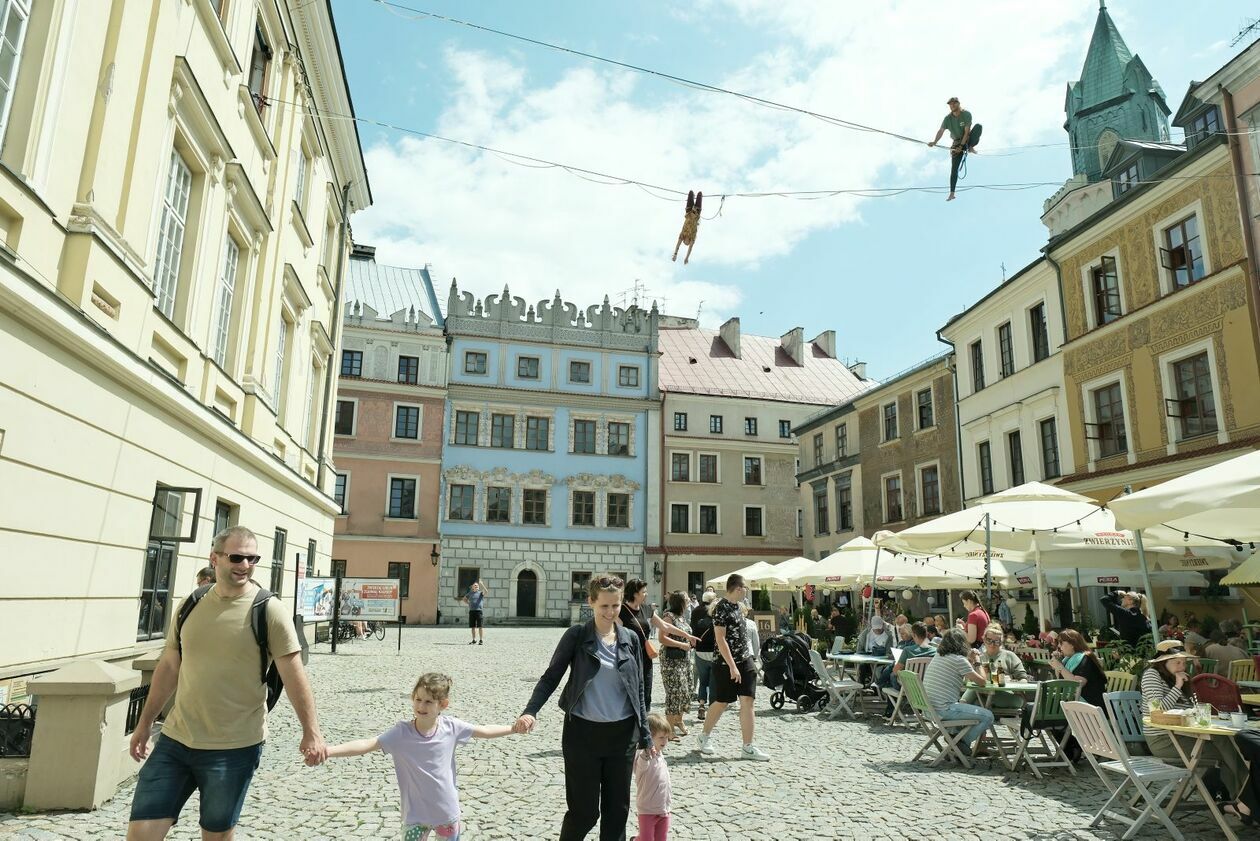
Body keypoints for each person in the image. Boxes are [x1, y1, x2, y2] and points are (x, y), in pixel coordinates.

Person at [127, 526, 326, 840]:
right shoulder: (190, 604)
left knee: (216, 836)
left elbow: (294, 674)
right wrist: (144, 724)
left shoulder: (269, 610)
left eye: (252, 558)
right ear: (215, 558)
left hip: (234, 748)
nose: (245, 565)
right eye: (236, 557)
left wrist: (311, 732)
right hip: (177, 739)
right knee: (141, 833)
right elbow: (168, 667)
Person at [515, 574, 652, 841]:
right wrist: (530, 710)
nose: (611, 612)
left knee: (617, 814)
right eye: (604, 606)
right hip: (582, 737)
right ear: (591, 602)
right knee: (584, 812)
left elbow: (639, 689)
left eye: (615, 605)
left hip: (622, 737)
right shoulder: (577, 636)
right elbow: (551, 676)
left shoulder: (630, 639)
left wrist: (645, 734)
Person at [318, 673, 515, 839]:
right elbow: (368, 744)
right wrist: (328, 751)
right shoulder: (401, 733)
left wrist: (513, 729)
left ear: (443, 704)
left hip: (446, 813)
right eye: (418, 699)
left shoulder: (452, 727)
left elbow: (485, 731)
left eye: (429, 702)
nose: (421, 706)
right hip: (415, 816)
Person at [1140, 640, 1249, 819]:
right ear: (1163, 662)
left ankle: (1243, 801)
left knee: (1229, 742)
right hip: (1163, 738)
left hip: (1183, 733)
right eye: (1177, 662)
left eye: (1184, 661)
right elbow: (1157, 710)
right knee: (1226, 750)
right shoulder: (1152, 676)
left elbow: (1190, 709)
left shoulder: (1176, 677)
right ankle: (1245, 801)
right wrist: (1177, 686)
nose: (1182, 666)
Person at [695, 574, 769, 761]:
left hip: (745, 660)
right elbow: (720, 639)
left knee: (748, 701)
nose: (747, 590)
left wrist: (747, 660)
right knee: (722, 702)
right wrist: (732, 666)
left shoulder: (739, 607)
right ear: (737, 588)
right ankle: (704, 736)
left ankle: (748, 746)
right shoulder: (721, 608)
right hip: (725, 663)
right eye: (745, 587)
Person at [619, 579, 697, 713]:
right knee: (630, 691)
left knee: (645, 691)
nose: (646, 594)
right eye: (643, 592)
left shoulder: (646, 609)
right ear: (635, 594)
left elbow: (665, 626)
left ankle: (644, 722)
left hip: (645, 657)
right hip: (628, 657)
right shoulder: (621, 611)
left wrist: (687, 636)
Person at [922, 628, 993, 756]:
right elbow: (982, 681)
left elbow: (964, 676)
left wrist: (968, 660)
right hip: (944, 710)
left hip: (929, 709)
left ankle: (954, 738)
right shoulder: (958, 660)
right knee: (988, 716)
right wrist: (977, 660)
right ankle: (960, 743)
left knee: (973, 707)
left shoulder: (939, 656)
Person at [962, 625, 1029, 712]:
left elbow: (1023, 679)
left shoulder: (1009, 656)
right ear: (984, 640)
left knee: (976, 698)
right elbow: (967, 680)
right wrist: (970, 662)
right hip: (982, 694)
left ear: (1001, 642)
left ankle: (961, 706)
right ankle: (963, 706)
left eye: (996, 641)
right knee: (975, 689)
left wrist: (1010, 682)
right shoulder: (979, 657)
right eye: (989, 640)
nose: (992, 644)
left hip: (1006, 695)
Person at [927, 96, 982, 201]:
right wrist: (934, 142)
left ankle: (970, 147)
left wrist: (962, 146)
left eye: (954, 103)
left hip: (967, 139)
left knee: (978, 126)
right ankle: (952, 193)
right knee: (954, 169)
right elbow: (941, 131)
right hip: (956, 143)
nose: (952, 105)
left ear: (958, 103)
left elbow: (966, 132)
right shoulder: (947, 119)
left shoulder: (966, 114)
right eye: (950, 104)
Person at [659, 591, 693, 739]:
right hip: (671, 661)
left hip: (684, 661)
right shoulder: (669, 617)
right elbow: (662, 638)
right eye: (686, 599)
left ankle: (679, 720)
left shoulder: (682, 617)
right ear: (680, 602)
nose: (689, 601)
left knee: (686, 690)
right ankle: (669, 728)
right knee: (674, 693)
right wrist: (681, 645)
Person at [634, 714, 674, 841]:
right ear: (649, 737)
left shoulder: (661, 755)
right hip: (647, 809)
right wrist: (645, 753)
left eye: (667, 737)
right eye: (661, 737)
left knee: (661, 838)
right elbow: (640, 768)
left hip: (664, 808)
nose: (665, 741)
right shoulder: (643, 755)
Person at [1046, 628, 1106, 707]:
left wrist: (1060, 667)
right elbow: (1062, 681)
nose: (1059, 646)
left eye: (1061, 643)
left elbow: (1077, 685)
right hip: (1076, 704)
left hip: (1090, 707)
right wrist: (1058, 664)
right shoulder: (1068, 659)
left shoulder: (1085, 659)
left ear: (1072, 644)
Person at [691, 592, 717, 721]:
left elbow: (692, 629)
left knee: (702, 680)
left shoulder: (696, 612)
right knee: (713, 681)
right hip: (713, 652)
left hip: (700, 650)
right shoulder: (716, 618)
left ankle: (701, 704)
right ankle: (711, 708)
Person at [856, 615, 896, 686]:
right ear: (871, 626)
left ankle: (876, 686)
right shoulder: (865, 634)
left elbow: (889, 652)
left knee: (879, 669)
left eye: (879, 628)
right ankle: (861, 686)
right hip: (867, 659)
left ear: (883, 625)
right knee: (862, 666)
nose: (877, 630)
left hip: (881, 660)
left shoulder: (888, 635)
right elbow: (859, 649)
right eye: (875, 628)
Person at [459, 581, 486, 645]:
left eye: (477, 585)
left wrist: (482, 584)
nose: (476, 586)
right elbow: (464, 599)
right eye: (475, 585)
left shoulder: (480, 593)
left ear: (478, 587)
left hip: (479, 611)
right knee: (473, 626)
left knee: (480, 626)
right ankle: (474, 640)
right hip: (472, 611)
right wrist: (468, 603)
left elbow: (486, 591)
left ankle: (481, 640)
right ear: (472, 587)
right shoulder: (470, 593)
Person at [742, 604, 761, 671]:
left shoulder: (729, 622)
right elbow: (756, 641)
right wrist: (755, 655)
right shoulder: (751, 623)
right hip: (748, 654)